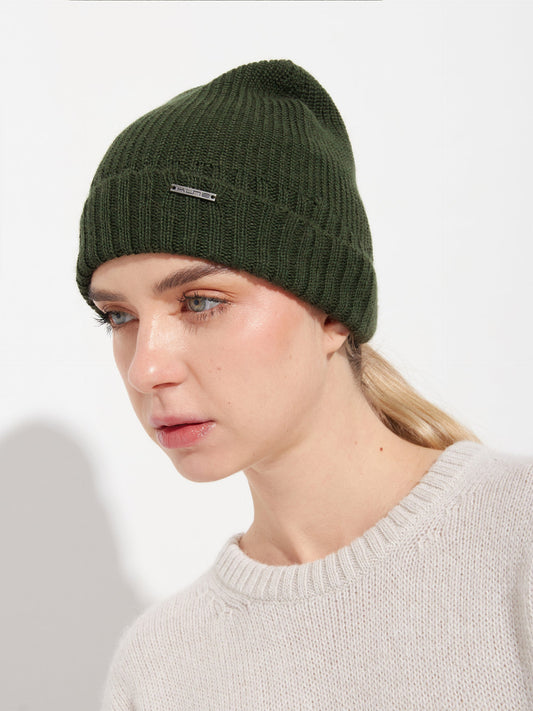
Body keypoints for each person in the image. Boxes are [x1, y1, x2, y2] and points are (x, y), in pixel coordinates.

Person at [77, 59, 533, 710]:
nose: (145, 369)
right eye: (118, 317)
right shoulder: (158, 667)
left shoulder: (516, 539)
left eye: (200, 302)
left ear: (331, 313)